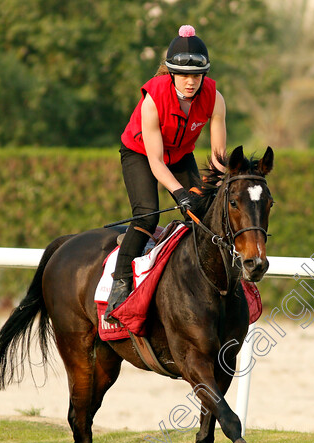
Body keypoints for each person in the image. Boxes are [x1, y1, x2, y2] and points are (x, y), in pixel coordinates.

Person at [105, 24, 227, 322]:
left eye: (196, 76)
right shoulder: (153, 98)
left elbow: (218, 158)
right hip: (141, 154)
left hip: (180, 154)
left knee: (203, 214)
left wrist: (215, 192)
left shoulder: (216, 98)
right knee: (147, 215)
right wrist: (180, 194)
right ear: (171, 73)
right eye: (184, 75)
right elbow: (156, 161)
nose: (190, 82)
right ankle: (120, 283)